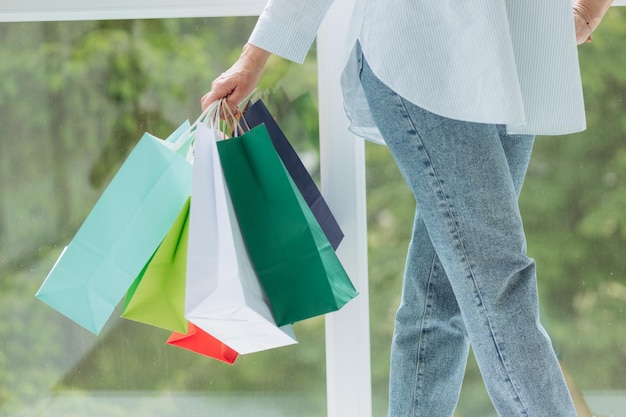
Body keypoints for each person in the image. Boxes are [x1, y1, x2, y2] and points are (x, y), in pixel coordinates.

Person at [202, 0, 614, 416]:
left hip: (521, 47)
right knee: (497, 281)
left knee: (441, 298)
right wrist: (253, 58)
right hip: (424, 53)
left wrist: (588, 11)